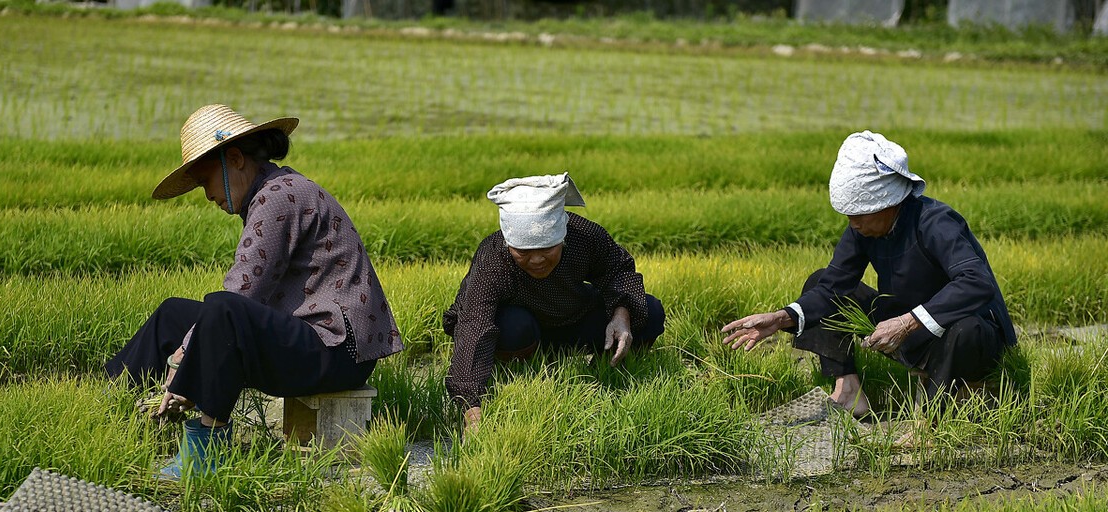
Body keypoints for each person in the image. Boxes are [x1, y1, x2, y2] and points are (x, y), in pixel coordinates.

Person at [106, 104, 402, 478]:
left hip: (338, 351)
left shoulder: (278, 196)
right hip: (313, 339)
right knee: (173, 315)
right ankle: (110, 406)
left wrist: (185, 357)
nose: (207, 195)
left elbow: (242, 293)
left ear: (234, 159)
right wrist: (188, 348)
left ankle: (207, 451)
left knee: (223, 310)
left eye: (206, 181)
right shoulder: (271, 191)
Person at [721, 130, 1016, 418]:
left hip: (966, 339)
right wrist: (780, 318)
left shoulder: (936, 223)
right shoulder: (863, 230)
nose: (853, 223)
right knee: (819, 282)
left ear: (887, 204)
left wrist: (906, 323)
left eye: (859, 214)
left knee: (964, 329)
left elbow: (977, 282)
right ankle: (848, 391)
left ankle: (930, 422)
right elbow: (831, 288)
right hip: (909, 328)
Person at [443, 173, 666, 433]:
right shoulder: (492, 257)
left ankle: (603, 374)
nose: (536, 260)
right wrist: (472, 410)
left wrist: (621, 316)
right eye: (523, 253)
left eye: (547, 249)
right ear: (508, 243)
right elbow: (474, 328)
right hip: (523, 332)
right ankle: (520, 378)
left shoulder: (585, 236)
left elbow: (618, 270)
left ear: (562, 237)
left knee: (649, 311)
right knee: (513, 325)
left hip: (572, 317)